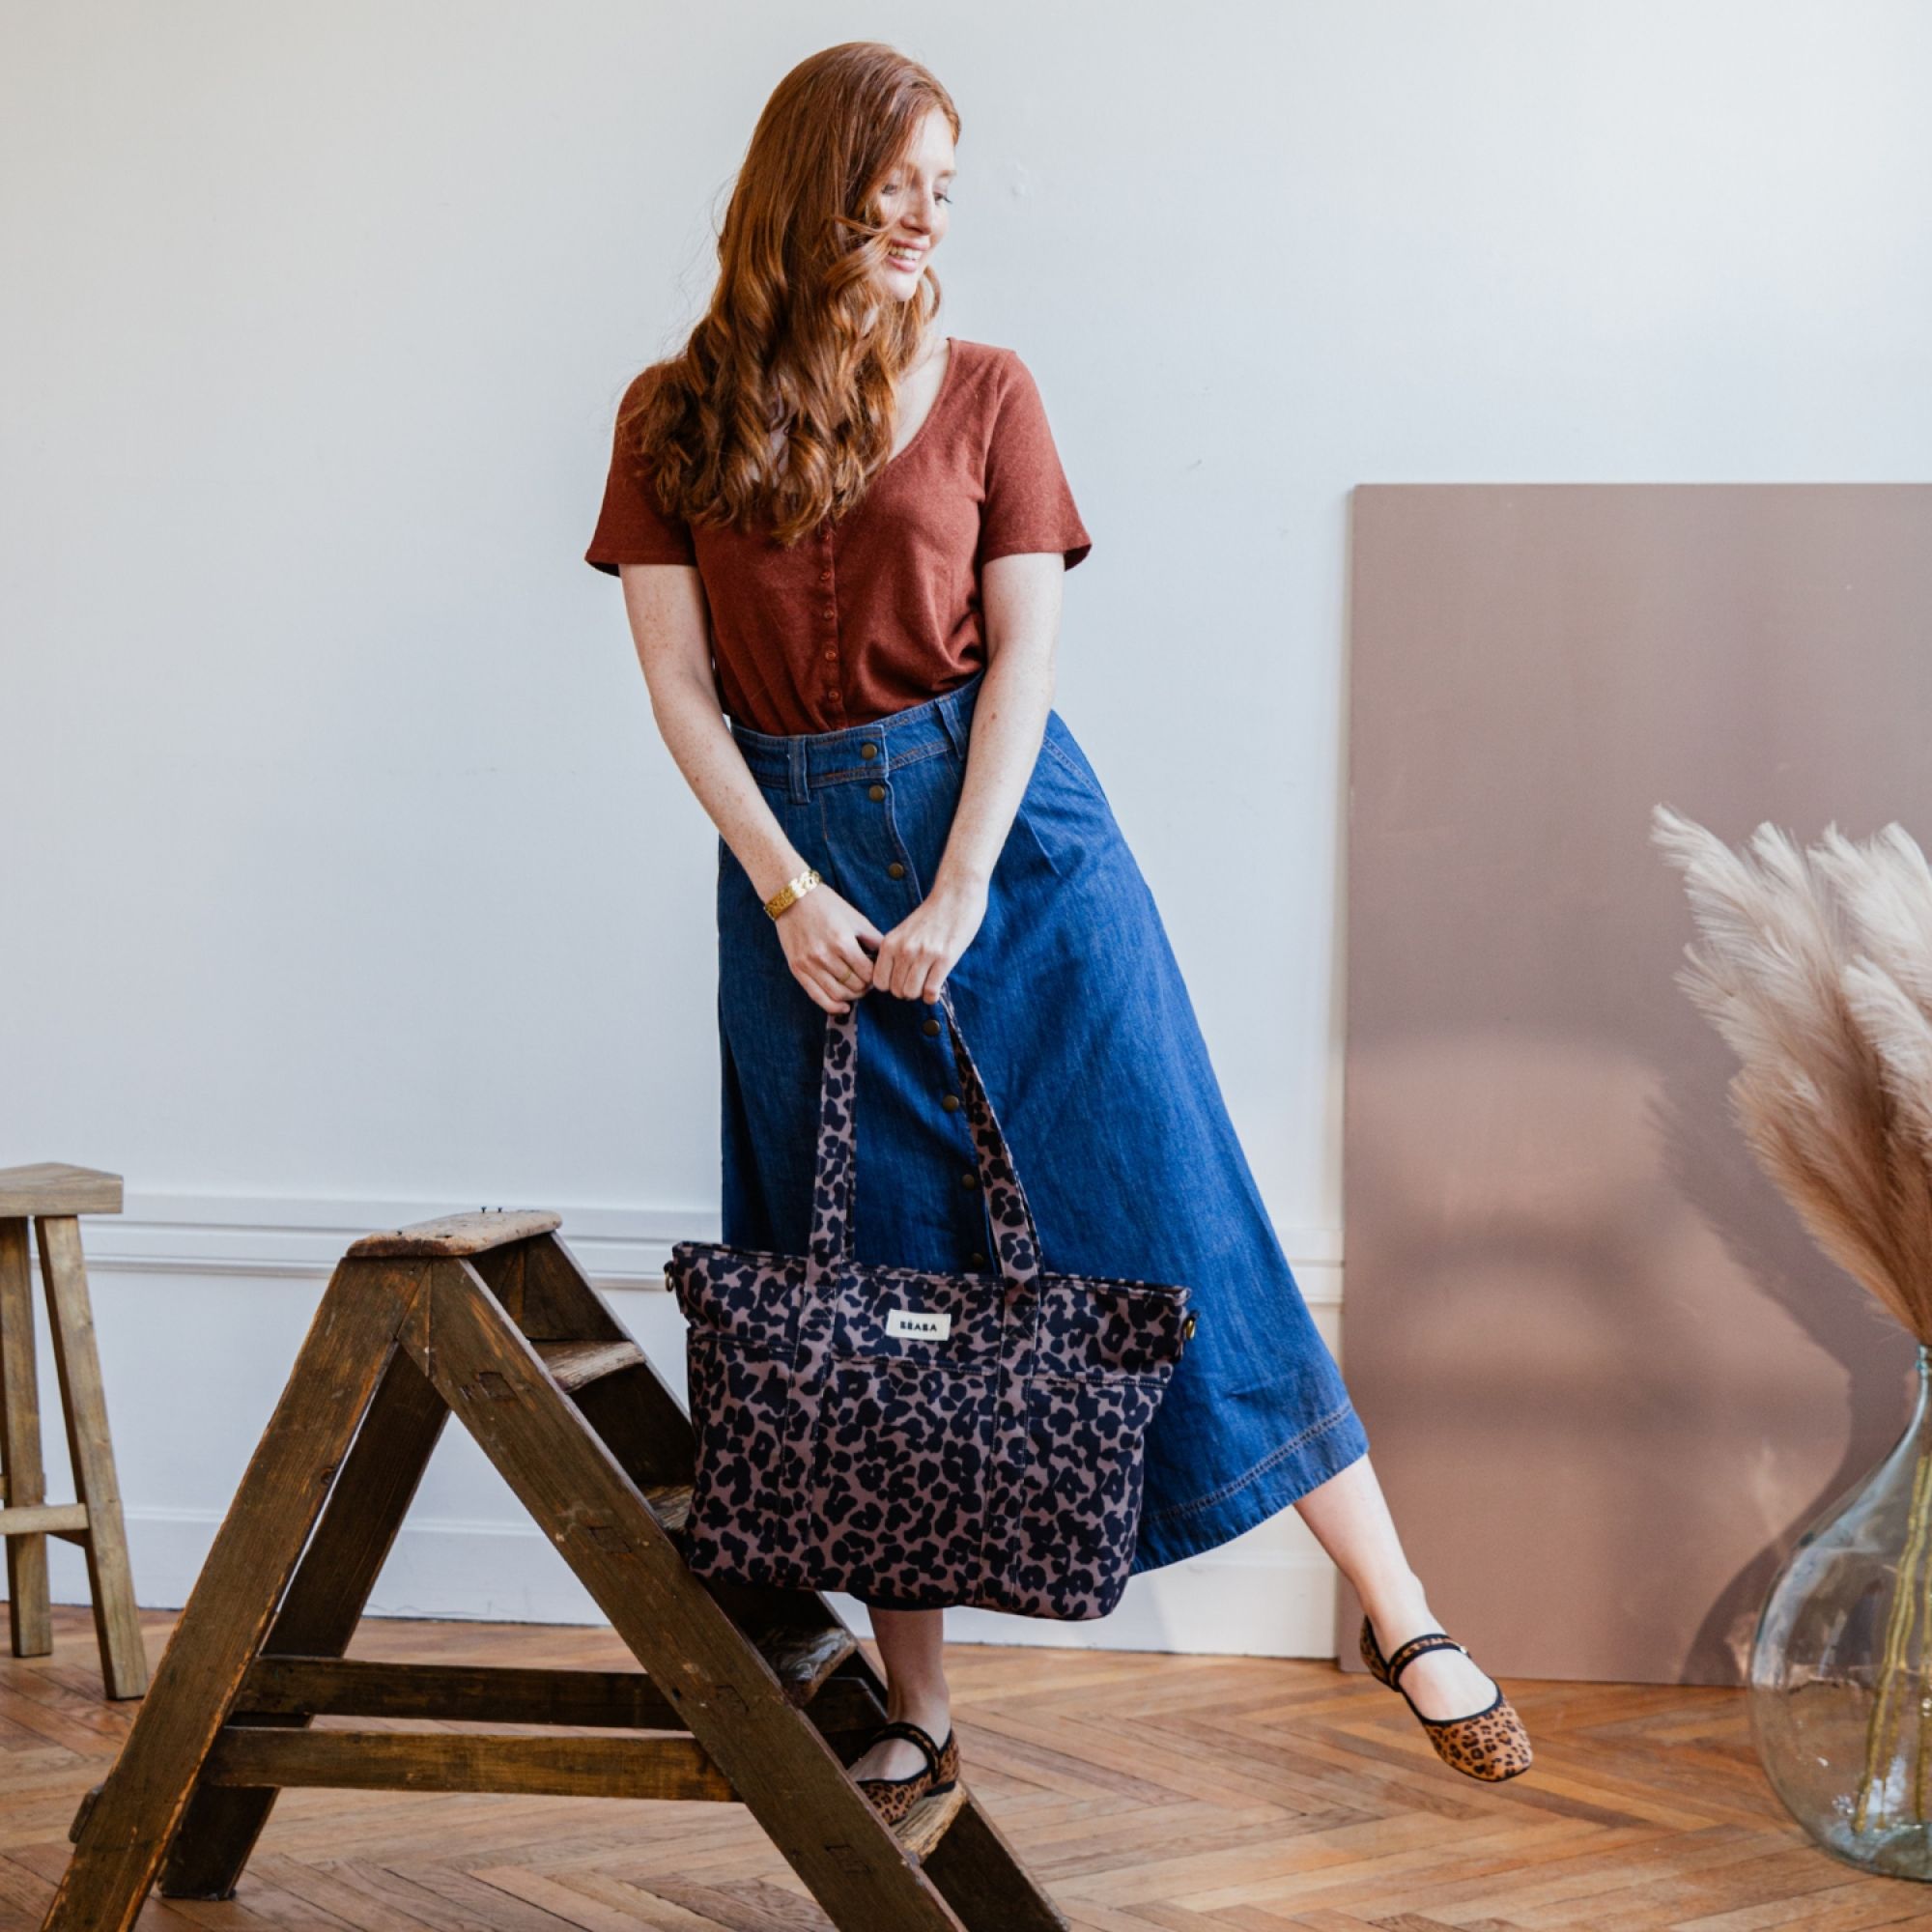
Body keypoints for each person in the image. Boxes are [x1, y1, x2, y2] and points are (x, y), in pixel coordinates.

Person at [584, 41, 1531, 1807]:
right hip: (792, 886)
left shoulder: (989, 391)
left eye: (945, 187)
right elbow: (680, 690)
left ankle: (1401, 1614)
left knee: (1174, 1202)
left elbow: (1023, 658)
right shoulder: (672, 416)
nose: (926, 217)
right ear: (809, 184)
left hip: (1020, 858)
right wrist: (789, 890)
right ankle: (922, 1704)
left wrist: (958, 884)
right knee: (868, 1281)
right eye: (897, 182)